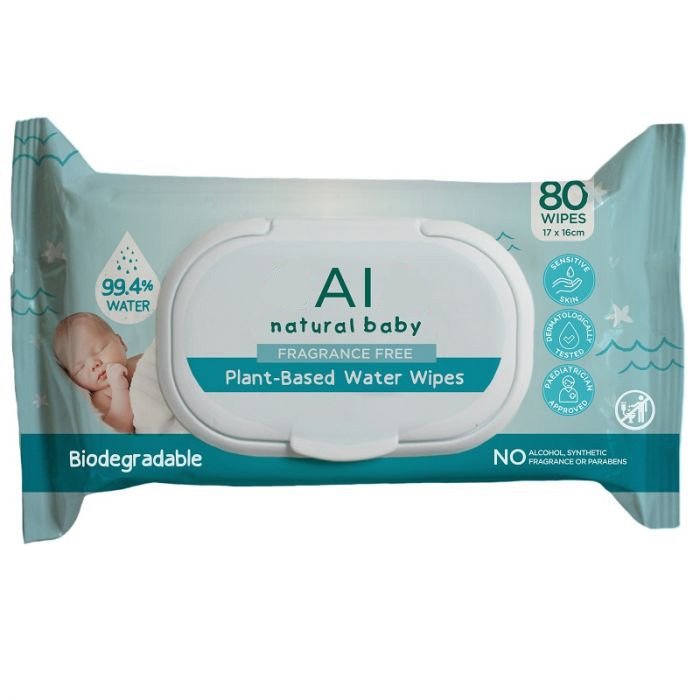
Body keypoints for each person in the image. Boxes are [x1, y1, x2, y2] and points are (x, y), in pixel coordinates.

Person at [53, 312, 141, 433]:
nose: (94, 365)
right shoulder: (102, 397)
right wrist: (119, 388)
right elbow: (121, 428)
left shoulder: (140, 361)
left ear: (121, 342)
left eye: (100, 349)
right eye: (80, 367)